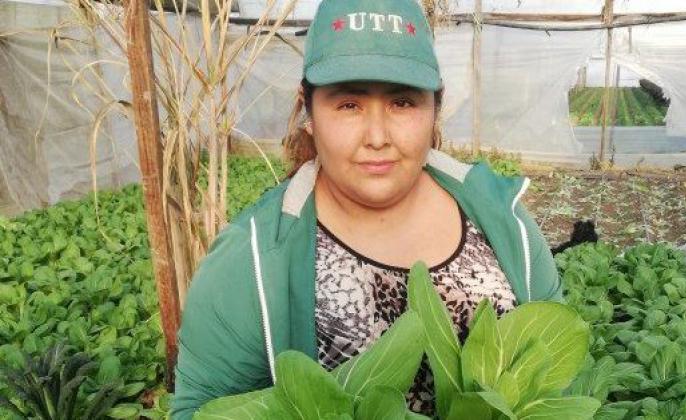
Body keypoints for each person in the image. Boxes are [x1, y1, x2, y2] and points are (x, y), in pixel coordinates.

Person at [170, 0, 562, 418]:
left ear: (435, 108)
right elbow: (200, 408)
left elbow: (554, 372)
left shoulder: (505, 224)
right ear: (309, 111)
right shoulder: (252, 260)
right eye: (349, 104)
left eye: (403, 103)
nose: (377, 136)